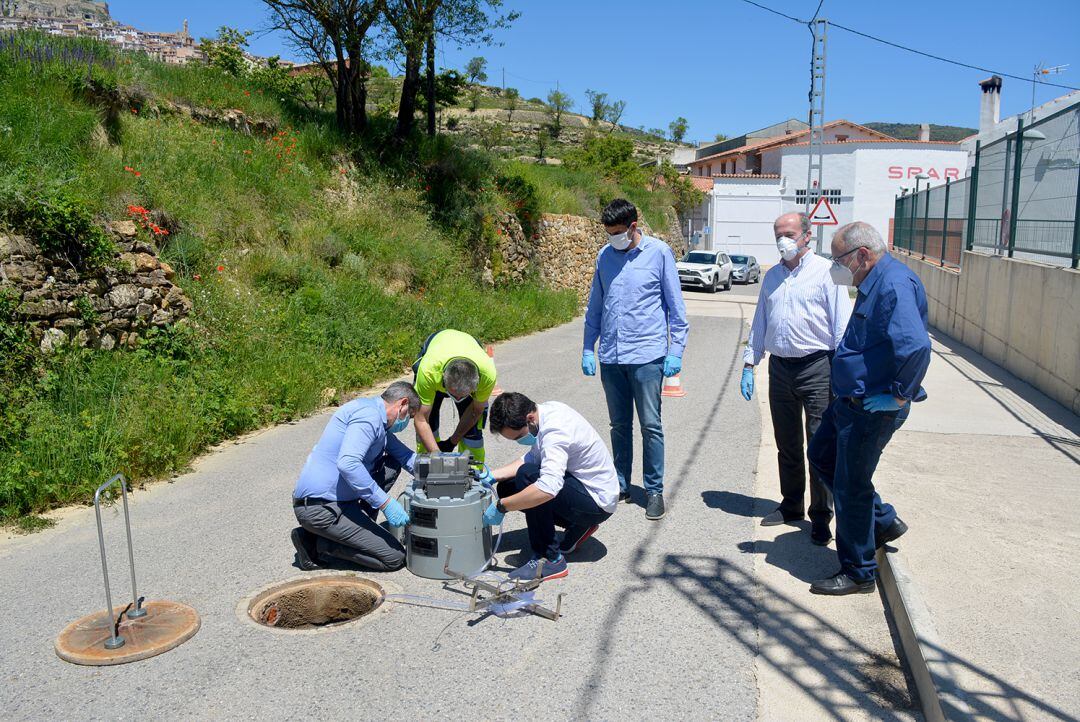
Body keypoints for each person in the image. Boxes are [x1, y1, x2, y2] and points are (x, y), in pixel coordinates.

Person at [807, 222, 929, 596]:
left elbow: (916, 347)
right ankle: (882, 520)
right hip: (850, 402)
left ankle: (859, 571)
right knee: (821, 455)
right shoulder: (872, 281)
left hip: (872, 408)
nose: (834, 265)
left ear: (862, 255)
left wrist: (898, 396)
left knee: (850, 486)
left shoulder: (892, 285)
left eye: (838, 258)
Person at [741, 212, 852, 545]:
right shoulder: (772, 276)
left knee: (818, 445)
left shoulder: (827, 273)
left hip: (818, 367)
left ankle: (821, 516)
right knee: (787, 443)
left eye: (788, 233)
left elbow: (842, 325)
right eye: (777, 234)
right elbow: (761, 321)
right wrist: (750, 363)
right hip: (780, 369)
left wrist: (844, 373)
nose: (782, 240)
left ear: (807, 236)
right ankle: (791, 505)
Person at [582, 198, 689, 521]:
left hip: (647, 356)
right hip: (612, 357)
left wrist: (675, 352)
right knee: (618, 425)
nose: (612, 238)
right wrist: (589, 347)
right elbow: (595, 307)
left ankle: (654, 490)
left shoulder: (658, 253)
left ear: (633, 226)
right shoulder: (604, 256)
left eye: (617, 232)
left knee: (651, 425)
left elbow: (676, 309)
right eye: (607, 232)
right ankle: (620, 481)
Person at [479, 392, 619, 582]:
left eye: (518, 437)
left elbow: (547, 488)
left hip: (596, 502)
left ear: (529, 419)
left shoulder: (555, 431)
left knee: (527, 477)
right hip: (584, 489)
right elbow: (533, 458)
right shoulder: (545, 412)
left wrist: (501, 506)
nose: (519, 441)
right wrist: (492, 476)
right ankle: (576, 525)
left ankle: (550, 559)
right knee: (508, 487)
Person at [290, 381, 420, 572]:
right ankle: (317, 544)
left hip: (338, 502)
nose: (406, 422)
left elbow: (406, 458)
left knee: (391, 464)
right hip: (321, 508)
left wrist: (444, 471)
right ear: (402, 403)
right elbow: (348, 464)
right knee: (394, 558)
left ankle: (352, 527)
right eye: (409, 416)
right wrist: (385, 503)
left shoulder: (378, 421)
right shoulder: (369, 417)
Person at [411, 328, 497, 464]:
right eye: (452, 394)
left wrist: (452, 441)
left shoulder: (487, 375)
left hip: (469, 344)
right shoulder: (428, 372)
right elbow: (421, 419)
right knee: (429, 417)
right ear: (443, 380)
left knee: (473, 431)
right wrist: (437, 457)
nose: (457, 399)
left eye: (462, 396)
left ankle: (473, 472)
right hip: (437, 346)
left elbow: (476, 411)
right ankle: (426, 466)